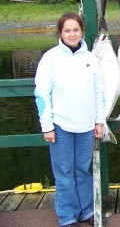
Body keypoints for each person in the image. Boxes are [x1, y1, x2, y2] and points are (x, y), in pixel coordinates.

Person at [34, 12, 105, 227]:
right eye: (67, 30)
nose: (72, 34)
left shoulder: (91, 58)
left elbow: (98, 91)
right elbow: (42, 94)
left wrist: (99, 121)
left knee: (82, 170)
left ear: (82, 31)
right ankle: (67, 216)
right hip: (60, 126)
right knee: (64, 173)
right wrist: (47, 126)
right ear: (60, 33)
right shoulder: (50, 58)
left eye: (76, 29)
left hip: (86, 126)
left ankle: (86, 212)